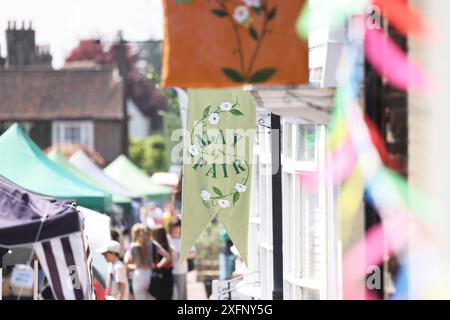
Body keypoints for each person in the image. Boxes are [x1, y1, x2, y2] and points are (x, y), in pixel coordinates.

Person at [151, 226, 174, 300]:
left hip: (162, 276)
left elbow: (167, 257)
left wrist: (158, 266)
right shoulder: (167, 245)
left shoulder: (159, 247)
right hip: (168, 275)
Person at [168, 219, 188, 300]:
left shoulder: (184, 239)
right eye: (174, 227)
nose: (176, 229)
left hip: (181, 270)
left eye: (178, 227)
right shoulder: (168, 239)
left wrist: (181, 255)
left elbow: (192, 253)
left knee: (181, 295)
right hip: (169, 271)